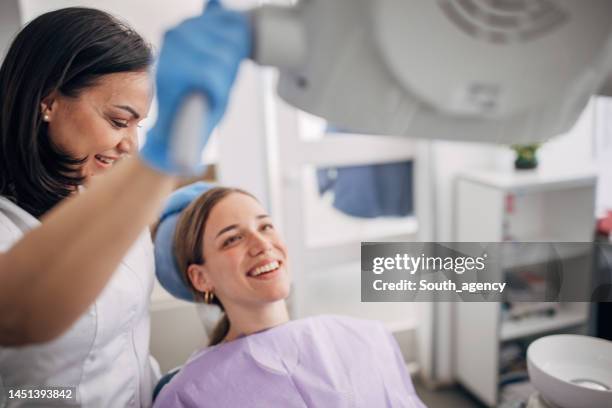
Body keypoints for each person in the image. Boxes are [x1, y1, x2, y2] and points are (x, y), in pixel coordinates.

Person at [0, 2, 250, 407]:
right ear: (48, 101)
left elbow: (125, 330)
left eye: (139, 125)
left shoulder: (99, 197)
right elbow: (20, 315)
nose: (130, 144)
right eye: (119, 121)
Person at [152, 183, 427, 407]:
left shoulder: (366, 339)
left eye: (265, 226)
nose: (262, 244)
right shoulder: (188, 396)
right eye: (232, 239)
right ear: (201, 277)